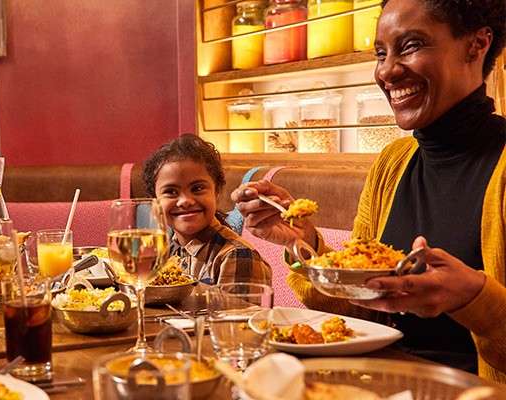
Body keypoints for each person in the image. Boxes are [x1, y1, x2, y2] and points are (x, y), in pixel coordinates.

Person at [231, 0, 505, 383]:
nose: (388, 71)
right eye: (381, 53)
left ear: (476, 44)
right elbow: (365, 304)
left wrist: (475, 298)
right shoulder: (391, 163)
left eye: (410, 46)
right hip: (382, 382)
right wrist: (302, 244)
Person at [143, 134, 272, 285]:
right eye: (171, 192)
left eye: (197, 188)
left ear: (216, 191)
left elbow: (240, 309)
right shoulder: (166, 252)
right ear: (154, 201)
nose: (185, 201)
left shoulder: (237, 256)